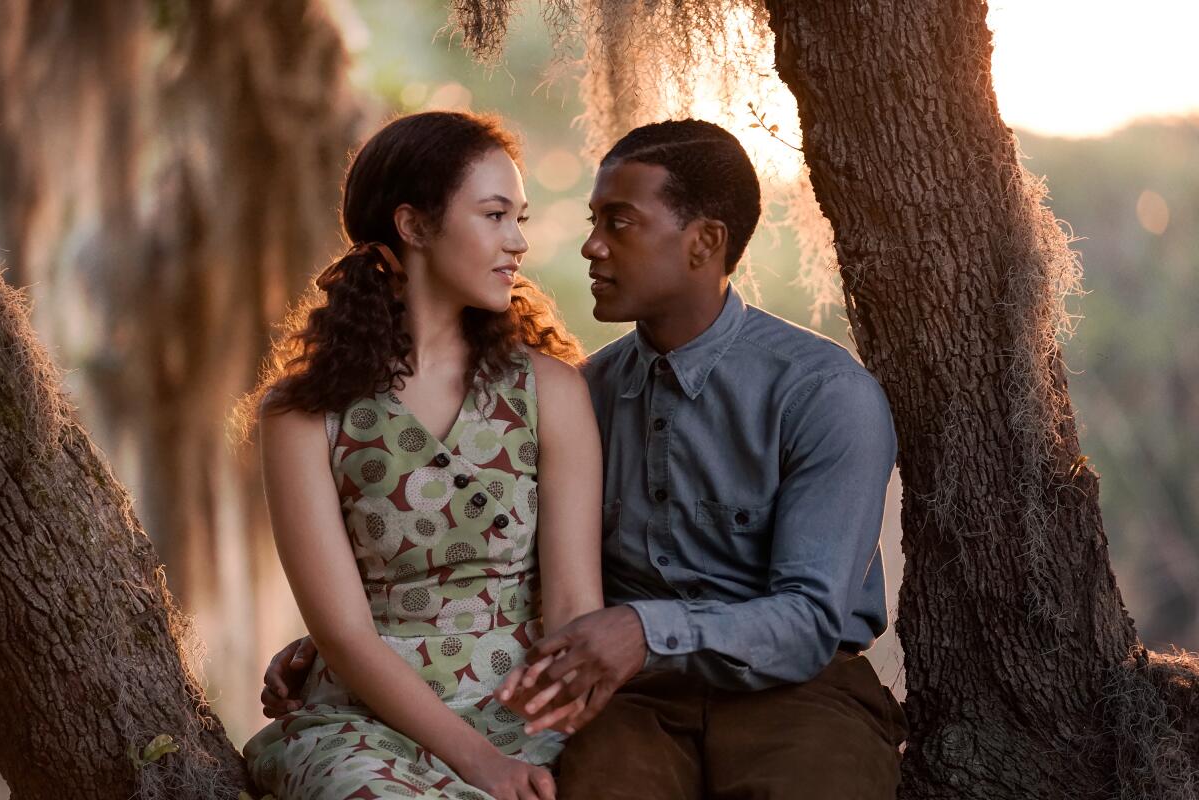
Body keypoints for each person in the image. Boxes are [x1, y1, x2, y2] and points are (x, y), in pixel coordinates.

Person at [264, 119, 909, 799]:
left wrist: (641, 629)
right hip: (626, 697)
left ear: (705, 243)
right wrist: (347, 642)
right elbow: (486, 561)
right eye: (591, 219)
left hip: (795, 689)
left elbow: (810, 620)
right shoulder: (588, 389)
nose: (586, 246)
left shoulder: (822, 393)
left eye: (618, 223)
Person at [241, 110, 604, 800]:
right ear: (413, 226)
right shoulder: (301, 415)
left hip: (529, 715)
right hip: (364, 724)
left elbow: (574, 604)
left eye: (518, 217)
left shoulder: (549, 391)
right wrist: (479, 763)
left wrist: (551, 736)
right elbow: (344, 635)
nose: (519, 241)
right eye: (495, 215)